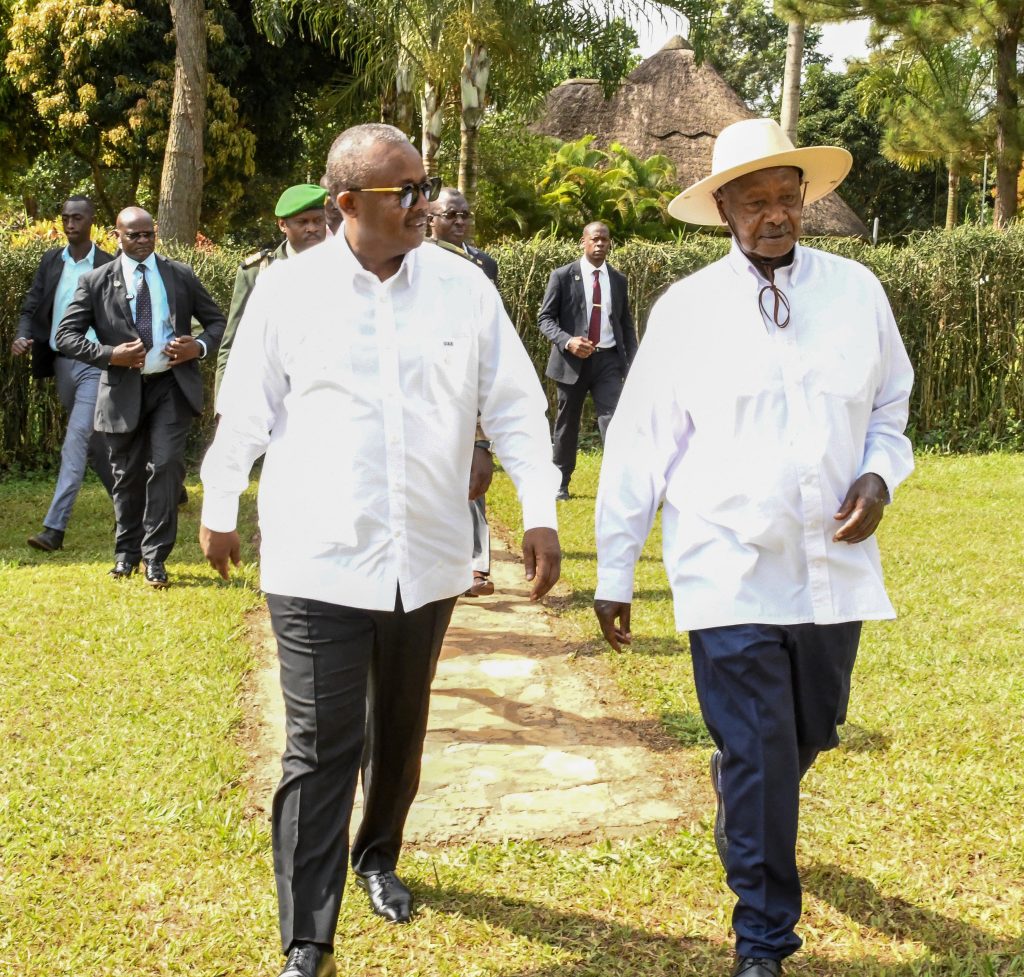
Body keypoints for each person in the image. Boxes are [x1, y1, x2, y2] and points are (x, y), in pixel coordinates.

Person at [199, 123, 561, 977]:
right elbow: (243, 408)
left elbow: (512, 403)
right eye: (405, 192)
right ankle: (307, 938)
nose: (424, 205)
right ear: (346, 203)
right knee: (321, 743)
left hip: (426, 555)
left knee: (398, 732)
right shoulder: (289, 293)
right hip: (318, 553)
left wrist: (539, 507)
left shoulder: (464, 290)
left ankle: (379, 857)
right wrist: (220, 501)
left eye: (425, 186)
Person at [592, 118, 915, 977]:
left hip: (831, 572)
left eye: (786, 198)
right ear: (723, 208)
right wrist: (616, 570)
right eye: (755, 202)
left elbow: (891, 407)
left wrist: (879, 479)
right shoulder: (687, 310)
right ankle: (763, 942)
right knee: (767, 755)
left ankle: (742, 783)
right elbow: (638, 443)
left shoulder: (857, 292)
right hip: (726, 565)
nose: (774, 215)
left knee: (808, 732)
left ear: (804, 199)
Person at [56, 206, 226, 588]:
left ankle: (155, 558)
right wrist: (109, 355)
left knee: (166, 467)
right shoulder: (96, 281)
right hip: (122, 390)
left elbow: (216, 321)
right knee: (126, 475)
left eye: (149, 234)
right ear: (117, 236)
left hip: (170, 385)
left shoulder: (179, 274)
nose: (143, 241)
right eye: (134, 235)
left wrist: (196, 347)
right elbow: (66, 336)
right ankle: (125, 553)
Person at [11, 195, 116, 551]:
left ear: (91, 221)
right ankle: (134, 506)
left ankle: (54, 529)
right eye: (66, 218)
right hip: (60, 363)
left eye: (77, 218)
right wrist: (23, 334)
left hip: (94, 365)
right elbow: (32, 304)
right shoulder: (51, 261)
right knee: (95, 446)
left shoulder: (107, 264)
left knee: (74, 441)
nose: (70, 224)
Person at [427, 186, 498, 597]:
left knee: (472, 473)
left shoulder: (482, 265)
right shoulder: (412, 260)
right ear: (431, 219)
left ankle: (476, 567)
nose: (458, 222)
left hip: (464, 380)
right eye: (450, 215)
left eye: (464, 215)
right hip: (427, 383)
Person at [537, 221, 636, 500]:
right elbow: (545, 318)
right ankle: (560, 482)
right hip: (572, 362)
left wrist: (633, 364)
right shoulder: (563, 276)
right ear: (583, 242)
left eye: (605, 239)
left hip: (608, 361)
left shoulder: (618, 280)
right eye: (595, 239)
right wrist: (568, 341)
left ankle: (621, 483)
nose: (600, 244)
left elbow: (625, 324)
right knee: (567, 424)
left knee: (614, 421)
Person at [215, 184, 328, 399]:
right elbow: (232, 346)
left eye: (318, 220)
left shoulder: (342, 267)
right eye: (303, 222)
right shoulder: (256, 271)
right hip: (270, 394)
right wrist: (224, 407)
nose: (312, 228)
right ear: (282, 224)